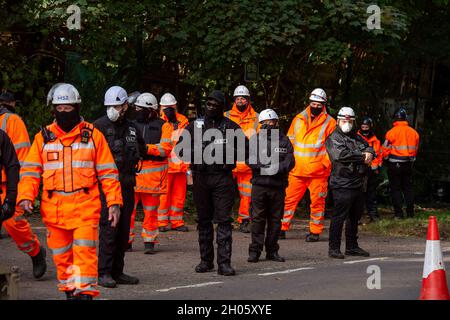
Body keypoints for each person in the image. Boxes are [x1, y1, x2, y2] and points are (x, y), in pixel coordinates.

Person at [18, 83, 123, 300]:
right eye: (60, 108)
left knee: (85, 255)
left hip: (85, 209)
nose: (64, 112)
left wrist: (114, 203)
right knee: (62, 258)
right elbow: (30, 171)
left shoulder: (93, 136)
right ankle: (70, 292)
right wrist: (26, 196)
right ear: (53, 109)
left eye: (68, 108)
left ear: (77, 107)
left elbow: (108, 173)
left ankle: (84, 294)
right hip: (55, 212)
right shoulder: (43, 138)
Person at [176, 90, 248, 276]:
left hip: (222, 178)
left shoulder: (231, 126)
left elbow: (246, 150)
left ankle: (224, 263)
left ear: (222, 107)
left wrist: (225, 151)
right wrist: (200, 151)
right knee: (203, 221)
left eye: (215, 103)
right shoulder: (194, 126)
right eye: (208, 102)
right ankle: (206, 261)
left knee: (224, 221)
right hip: (201, 177)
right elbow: (180, 150)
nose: (211, 106)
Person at [94, 86, 145, 288]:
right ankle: (104, 272)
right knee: (109, 230)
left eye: (117, 105)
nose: (113, 109)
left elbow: (142, 149)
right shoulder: (97, 126)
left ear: (125, 105)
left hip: (127, 185)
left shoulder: (132, 128)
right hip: (106, 188)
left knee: (124, 231)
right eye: (110, 106)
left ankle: (118, 271)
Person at [0, 91, 47, 279]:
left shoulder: (12, 121)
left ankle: (36, 252)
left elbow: (21, 156)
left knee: (14, 223)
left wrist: (19, 187)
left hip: (7, 184)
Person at [281, 88, 336, 241]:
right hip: (297, 170)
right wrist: (287, 161)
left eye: (319, 104)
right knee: (288, 201)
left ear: (324, 104)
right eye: (313, 103)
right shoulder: (298, 119)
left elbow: (334, 148)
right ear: (309, 102)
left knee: (317, 204)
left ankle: (315, 232)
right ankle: (281, 228)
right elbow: (289, 140)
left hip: (318, 173)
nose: (316, 106)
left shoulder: (330, 123)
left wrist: (324, 165)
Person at [325, 107, 375, 259]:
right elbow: (340, 155)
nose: (347, 123)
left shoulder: (356, 137)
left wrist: (370, 153)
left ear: (354, 122)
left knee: (354, 217)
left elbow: (369, 147)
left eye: (350, 121)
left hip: (357, 183)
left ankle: (352, 246)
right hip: (342, 183)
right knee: (338, 217)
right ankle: (334, 248)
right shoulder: (333, 137)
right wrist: (362, 157)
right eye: (344, 120)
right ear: (338, 121)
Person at [247, 109, 295, 263]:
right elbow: (250, 160)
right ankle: (255, 251)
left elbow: (290, 161)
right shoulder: (254, 140)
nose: (268, 124)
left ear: (276, 122)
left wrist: (276, 169)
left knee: (275, 220)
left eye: (271, 121)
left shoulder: (285, 140)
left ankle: (272, 251)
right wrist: (267, 168)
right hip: (259, 186)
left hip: (278, 186)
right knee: (257, 219)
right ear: (260, 124)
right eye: (264, 122)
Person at [129, 92, 173, 254]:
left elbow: (165, 149)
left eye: (141, 108)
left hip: (153, 179)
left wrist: (147, 148)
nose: (138, 111)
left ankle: (149, 241)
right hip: (133, 176)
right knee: (128, 212)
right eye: (137, 108)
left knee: (151, 213)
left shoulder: (164, 126)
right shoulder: (131, 125)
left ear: (151, 110)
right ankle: (126, 241)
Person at [224, 85, 259, 233]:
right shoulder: (225, 116)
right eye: (237, 98)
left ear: (248, 100)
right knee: (224, 193)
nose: (240, 101)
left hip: (247, 164)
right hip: (228, 162)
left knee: (247, 195)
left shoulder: (257, 118)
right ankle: (224, 220)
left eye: (243, 98)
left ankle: (244, 220)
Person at [157, 93, 190, 232]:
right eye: (166, 107)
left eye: (171, 107)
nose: (169, 109)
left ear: (175, 106)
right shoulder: (158, 122)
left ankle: (177, 221)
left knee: (179, 195)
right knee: (163, 196)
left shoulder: (183, 120)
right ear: (160, 108)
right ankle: (162, 222)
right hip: (165, 165)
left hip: (181, 165)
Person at [382, 107, 420, 218]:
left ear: (395, 119)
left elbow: (385, 149)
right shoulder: (414, 133)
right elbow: (415, 150)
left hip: (394, 163)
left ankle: (398, 214)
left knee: (396, 189)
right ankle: (410, 213)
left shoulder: (391, 133)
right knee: (408, 188)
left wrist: (384, 158)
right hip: (408, 164)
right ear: (405, 118)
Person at [357, 116, 383, 222]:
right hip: (359, 171)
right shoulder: (356, 138)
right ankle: (356, 217)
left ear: (370, 127)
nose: (364, 129)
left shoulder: (376, 141)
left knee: (371, 194)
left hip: (372, 171)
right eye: (362, 126)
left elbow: (379, 155)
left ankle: (373, 216)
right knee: (358, 194)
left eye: (366, 126)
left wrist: (376, 166)